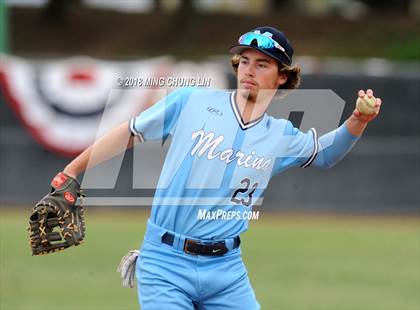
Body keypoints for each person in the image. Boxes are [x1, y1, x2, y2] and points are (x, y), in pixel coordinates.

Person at [62, 26, 381, 309]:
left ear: (282, 75)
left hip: (226, 271)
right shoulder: (192, 102)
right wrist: (73, 171)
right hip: (165, 261)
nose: (249, 70)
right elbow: (130, 132)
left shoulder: (280, 136)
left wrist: (357, 121)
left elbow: (324, 154)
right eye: (244, 61)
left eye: (262, 64)